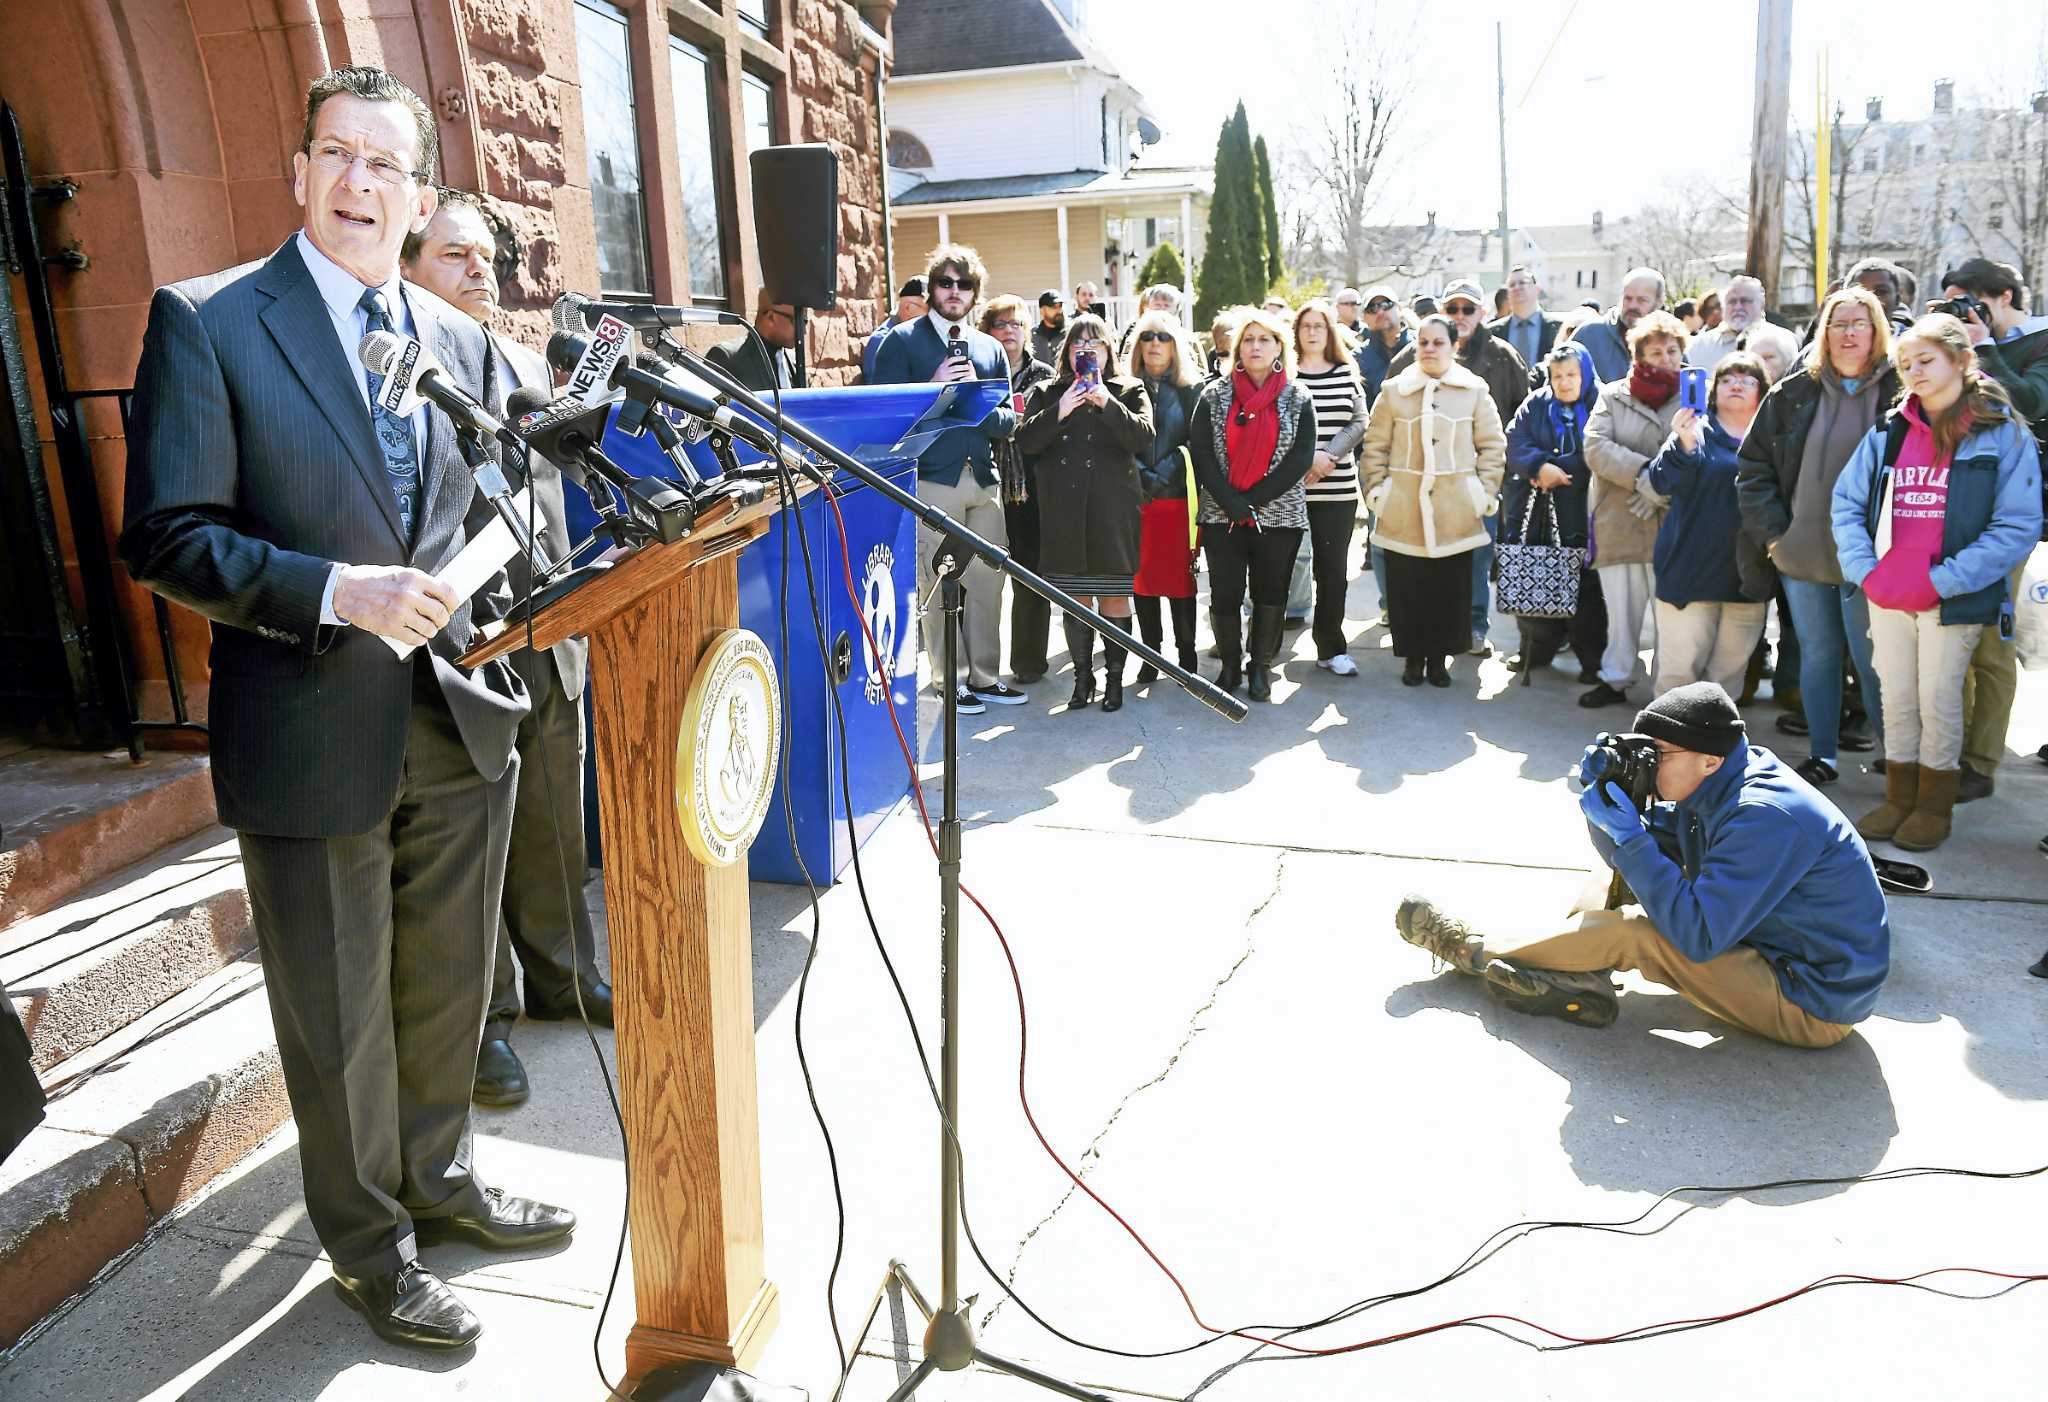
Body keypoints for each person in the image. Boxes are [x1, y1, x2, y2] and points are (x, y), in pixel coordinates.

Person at [119, 65, 571, 1352]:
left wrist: (517, 557)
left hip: (458, 721)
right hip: (310, 729)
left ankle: (441, 1183)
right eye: (337, 154)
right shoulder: (209, 322)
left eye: (385, 163)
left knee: (444, 989)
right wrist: (336, 590)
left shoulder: (463, 341)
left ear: (417, 193)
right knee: (339, 1016)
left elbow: (503, 508)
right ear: (299, 171)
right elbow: (167, 533)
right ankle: (372, 1247)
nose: (359, 183)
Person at [403, 189, 606, 1109]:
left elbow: (562, 490)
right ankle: (485, 1022)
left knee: (557, 821)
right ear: (408, 268)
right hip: (459, 640)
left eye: (485, 254)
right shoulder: (398, 374)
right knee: (476, 839)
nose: (479, 268)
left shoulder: (529, 365)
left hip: (546, 620)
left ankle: (567, 978)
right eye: (453, 254)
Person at [1395, 683, 1889, 1047]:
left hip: (1811, 1002)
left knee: (1636, 931)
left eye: (1657, 755)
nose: (1648, 765)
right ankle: (1578, 978)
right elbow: (1626, 855)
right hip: (1770, 948)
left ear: (1709, 760)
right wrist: (1606, 795)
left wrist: (1631, 837)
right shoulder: (1722, 777)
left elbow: (1696, 936)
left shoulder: (1764, 817)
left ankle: (1475, 948)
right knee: (1618, 870)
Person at [1831, 313, 2043, 850]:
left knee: (1940, 699)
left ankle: (1933, 805)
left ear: (1961, 361)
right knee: (1897, 695)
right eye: (1906, 364)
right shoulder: (1889, 430)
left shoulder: (2002, 433)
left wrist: (1945, 579)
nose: (1915, 372)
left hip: (1952, 595)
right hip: (1888, 593)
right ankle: (1899, 798)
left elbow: (2017, 524)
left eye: (1926, 360)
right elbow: (1847, 503)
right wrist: (1865, 571)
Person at [1735, 287, 1899, 785]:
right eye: (1838, 322)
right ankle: (1823, 755)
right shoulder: (1794, 391)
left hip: (1872, 558)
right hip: (1801, 551)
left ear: (1878, 331)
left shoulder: (1900, 393)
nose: (1848, 333)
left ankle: (1898, 759)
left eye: (1860, 323)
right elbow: (1754, 465)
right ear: (1823, 332)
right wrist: (1773, 538)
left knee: (1875, 664)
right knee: (1819, 654)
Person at [871, 243, 1022, 715]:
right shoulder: (901, 341)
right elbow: (890, 419)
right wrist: (937, 387)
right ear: (932, 287)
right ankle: (947, 680)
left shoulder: (990, 348)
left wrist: (974, 399)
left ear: (976, 293)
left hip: (984, 479)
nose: (955, 292)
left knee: (988, 585)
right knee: (937, 584)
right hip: (931, 479)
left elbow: (1008, 423)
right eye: (945, 283)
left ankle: (986, 677)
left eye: (965, 284)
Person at [1934, 256, 2048, 802]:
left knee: (1992, 643)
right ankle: (1951, 753)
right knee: (1955, 635)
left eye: (1972, 302)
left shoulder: (2038, 342)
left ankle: (1980, 763)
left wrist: (1982, 346)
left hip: (2010, 514)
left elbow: (2028, 401)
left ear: (2003, 297)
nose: (1965, 314)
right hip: (1951, 508)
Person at [1359, 314, 1507, 688]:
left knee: (1448, 588)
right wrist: (1379, 492)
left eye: (1438, 342)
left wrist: (1483, 493)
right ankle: (1411, 658)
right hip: (1403, 508)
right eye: (1423, 342)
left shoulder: (1474, 391)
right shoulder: (1394, 391)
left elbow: (1492, 446)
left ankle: (1440, 660)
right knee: (1408, 588)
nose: (1429, 349)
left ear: (1454, 346)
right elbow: (1375, 447)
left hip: (1456, 508)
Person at [1015, 314, 1154, 712]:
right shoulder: (1047, 391)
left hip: (1113, 511)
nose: (1086, 351)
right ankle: (1081, 679)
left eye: (1096, 345)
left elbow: (1143, 438)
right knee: (1076, 598)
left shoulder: (1128, 389)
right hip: (1064, 512)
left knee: (1113, 597)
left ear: (1110, 352)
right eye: (1079, 345)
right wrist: (1061, 409)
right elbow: (1026, 442)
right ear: (1067, 353)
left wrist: (1106, 403)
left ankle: (1114, 681)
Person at [1388, 279, 1528, 655]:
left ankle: (1473, 629)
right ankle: (1421, 642)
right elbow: (1383, 420)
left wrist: (1488, 485)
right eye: (1454, 309)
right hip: (1414, 487)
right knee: (1419, 569)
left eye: (1469, 309)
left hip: (1471, 485)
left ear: (1482, 312)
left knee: (1474, 563)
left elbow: (1519, 414)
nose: (1461, 316)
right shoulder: (1409, 359)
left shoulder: (1502, 355)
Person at [1189, 308, 1315, 701]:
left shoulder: (1297, 396)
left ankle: (1260, 667)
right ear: (1236, 348)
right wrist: (1231, 502)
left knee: (1270, 592)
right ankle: (1229, 665)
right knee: (1225, 593)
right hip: (1221, 513)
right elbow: (1202, 453)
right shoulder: (1213, 395)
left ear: (1280, 347)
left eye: (1264, 339)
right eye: (1248, 339)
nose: (1255, 346)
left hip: (1278, 515)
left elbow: (1300, 458)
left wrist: (1252, 502)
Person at [1642, 351, 1772, 696]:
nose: (1736, 385)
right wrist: (1684, 444)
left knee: (1726, 683)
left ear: (1763, 391)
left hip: (1747, 578)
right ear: (1713, 391)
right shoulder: (1695, 429)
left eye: (1748, 379)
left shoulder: (1774, 438)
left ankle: (1714, 750)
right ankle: (1668, 745)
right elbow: (1659, 482)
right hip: (1690, 571)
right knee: (1676, 678)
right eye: (1727, 378)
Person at [1580, 310, 1690, 708]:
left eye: (1672, 350)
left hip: (1674, 521)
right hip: (1621, 517)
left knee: (1671, 616)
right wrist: (1645, 476)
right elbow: (1595, 446)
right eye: (1656, 351)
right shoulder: (1613, 394)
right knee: (1622, 611)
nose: (1665, 358)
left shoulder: (1695, 396)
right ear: (1638, 355)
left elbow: (1703, 450)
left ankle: (1668, 692)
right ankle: (1616, 677)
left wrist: (1660, 489)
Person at [1501, 343, 1607, 681]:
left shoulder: (1602, 403)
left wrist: (1559, 469)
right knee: (1536, 575)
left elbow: (1600, 447)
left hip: (1582, 510)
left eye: (1572, 375)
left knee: (1585, 590)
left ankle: (1591, 661)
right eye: (1557, 375)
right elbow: (1515, 440)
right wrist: (1539, 465)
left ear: (1585, 375)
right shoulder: (1537, 403)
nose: (1564, 382)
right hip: (1537, 511)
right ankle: (1534, 652)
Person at [981, 294, 1059, 683]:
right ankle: (974, 667)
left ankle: (1029, 662)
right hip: (984, 482)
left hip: (1033, 488)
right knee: (979, 579)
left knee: (1031, 577)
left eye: (1017, 324)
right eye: (1001, 324)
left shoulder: (1045, 374)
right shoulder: (978, 372)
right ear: (987, 331)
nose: (1010, 331)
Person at [1290, 299, 1369, 674]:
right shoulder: (1286, 374)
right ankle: (1266, 644)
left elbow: (1359, 421)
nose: (1312, 332)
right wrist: (1308, 459)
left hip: (1337, 490)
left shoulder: (1344, 371)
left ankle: (1331, 648)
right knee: (1280, 568)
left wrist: (1328, 457)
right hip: (1291, 488)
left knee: (1332, 572)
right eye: (1306, 326)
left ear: (1329, 331)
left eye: (1319, 326)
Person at [1128, 309, 1204, 684]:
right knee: (1142, 580)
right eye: (1147, 336)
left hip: (1178, 500)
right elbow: (1119, 439)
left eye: (1163, 337)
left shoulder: (1193, 390)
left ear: (1176, 346)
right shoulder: (1124, 388)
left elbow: (1198, 442)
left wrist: (1164, 473)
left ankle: (1187, 656)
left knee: (1179, 581)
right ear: (1138, 346)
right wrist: (1142, 475)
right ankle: (1150, 654)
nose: (1155, 343)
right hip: (1136, 500)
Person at [1354, 286, 1411, 626]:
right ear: (1365, 317)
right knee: (1380, 533)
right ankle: (1390, 604)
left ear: (1398, 308)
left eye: (1386, 304)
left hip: (1417, 454)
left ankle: (1414, 601)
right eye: (1372, 307)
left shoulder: (1421, 347)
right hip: (1374, 456)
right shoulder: (1359, 357)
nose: (1380, 311)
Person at [1570, 266, 1666, 384]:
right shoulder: (1589, 334)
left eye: (1642, 300)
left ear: (1659, 302)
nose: (1632, 306)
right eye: (1628, 298)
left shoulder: (1671, 341)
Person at [706, 286, 796, 392]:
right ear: (771, 317)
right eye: (796, 321)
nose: (803, 330)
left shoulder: (793, 362)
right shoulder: (727, 358)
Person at [1488, 264, 1560, 380]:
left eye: (1522, 283)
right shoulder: (1492, 333)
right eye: (1512, 285)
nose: (1517, 287)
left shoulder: (1559, 328)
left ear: (1537, 289)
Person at [1686, 274, 1766, 369]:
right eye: (1732, 301)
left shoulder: (1782, 341)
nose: (1738, 307)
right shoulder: (1700, 345)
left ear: (1761, 304)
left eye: (1745, 301)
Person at [863, 276, 927, 381]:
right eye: (929, 310)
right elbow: (882, 393)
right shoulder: (881, 341)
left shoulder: (920, 337)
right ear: (907, 308)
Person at [1115, 283, 1182, 363]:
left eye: (1166, 305)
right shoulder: (1135, 336)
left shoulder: (1186, 338)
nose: (1162, 309)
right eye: (1157, 305)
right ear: (1148, 307)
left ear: (1176, 309)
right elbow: (1125, 363)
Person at [1032, 288, 1067, 366]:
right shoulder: (1032, 336)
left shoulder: (1071, 333)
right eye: (1054, 307)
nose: (1059, 311)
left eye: (1060, 306)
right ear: (1042, 310)